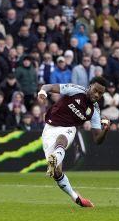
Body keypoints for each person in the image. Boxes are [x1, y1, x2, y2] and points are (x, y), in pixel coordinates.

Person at [37, 77, 110, 208]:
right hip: (49, 129)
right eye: (95, 90)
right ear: (90, 86)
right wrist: (42, 92)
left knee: (62, 139)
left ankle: (54, 159)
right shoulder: (75, 90)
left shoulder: (94, 111)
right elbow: (48, 87)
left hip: (68, 129)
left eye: (100, 93)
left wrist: (106, 130)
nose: (97, 95)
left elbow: (97, 140)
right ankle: (76, 197)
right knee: (57, 173)